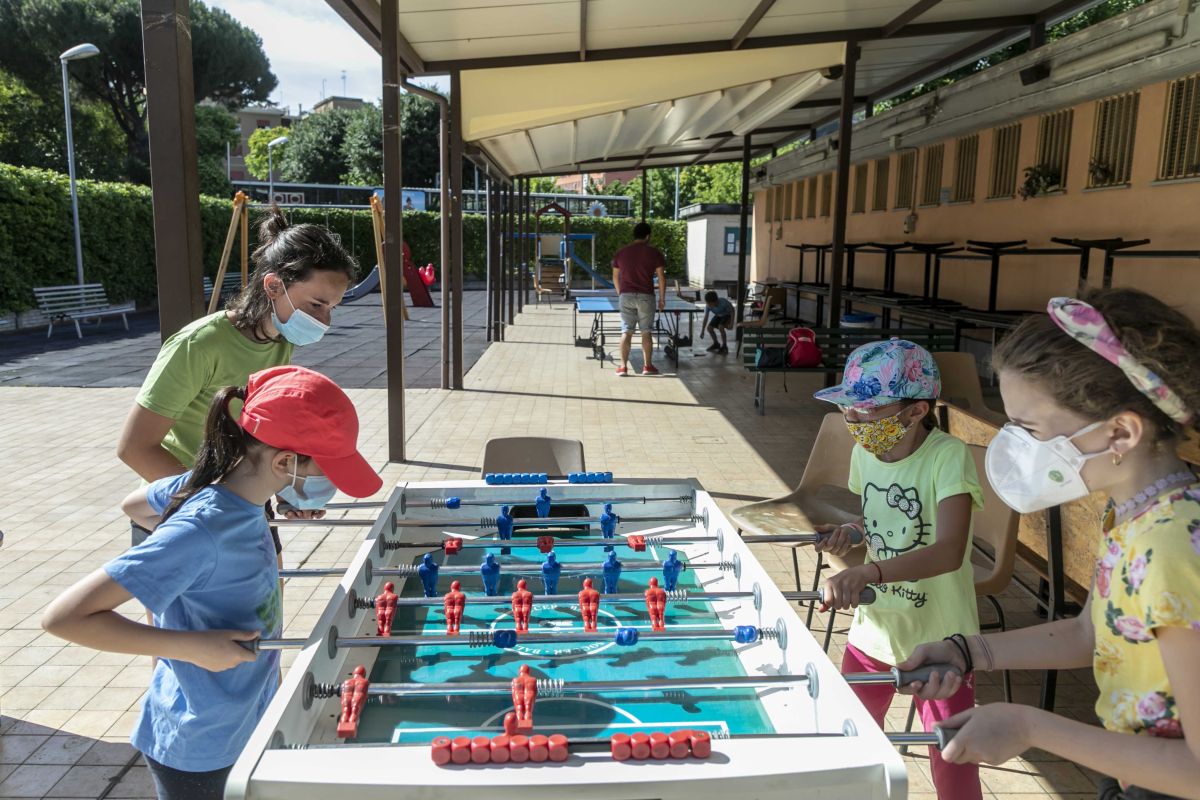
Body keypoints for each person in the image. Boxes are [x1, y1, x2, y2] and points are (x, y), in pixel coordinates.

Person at [899, 288, 1200, 799]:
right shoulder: (1133, 514)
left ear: (1121, 433)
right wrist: (968, 651)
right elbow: (1093, 632)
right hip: (1132, 773)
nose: (1015, 447)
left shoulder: (1172, 546)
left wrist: (1030, 727)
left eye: (1029, 428)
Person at [41, 365, 382, 800]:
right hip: (200, 744)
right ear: (284, 462)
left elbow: (135, 505)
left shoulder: (224, 490)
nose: (330, 484)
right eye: (326, 472)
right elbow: (64, 618)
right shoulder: (202, 530)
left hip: (239, 715)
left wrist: (263, 501)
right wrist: (191, 644)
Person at [117, 207, 358, 552]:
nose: (325, 320)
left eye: (331, 307)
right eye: (317, 305)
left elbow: (261, 435)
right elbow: (135, 447)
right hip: (182, 505)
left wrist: (290, 489)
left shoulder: (280, 340)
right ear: (274, 286)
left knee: (265, 603)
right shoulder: (199, 345)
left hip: (239, 499)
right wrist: (213, 502)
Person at [812, 338, 984, 800]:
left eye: (866, 411)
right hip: (874, 631)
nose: (853, 421)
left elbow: (948, 549)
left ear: (914, 411)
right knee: (849, 743)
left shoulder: (948, 457)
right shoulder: (865, 452)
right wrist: (853, 531)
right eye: (849, 409)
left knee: (952, 759)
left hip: (941, 641)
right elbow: (881, 517)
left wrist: (870, 573)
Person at [611, 221, 666, 376]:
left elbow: (615, 276)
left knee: (626, 331)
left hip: (626, 295)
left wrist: (620, 292)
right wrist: (662, 298)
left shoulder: (621, 253)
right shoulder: (655, 253)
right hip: (646, 296)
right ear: (647, 236)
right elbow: (661, 277)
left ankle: (622, 367)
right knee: (646, 332)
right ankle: (647, 367)